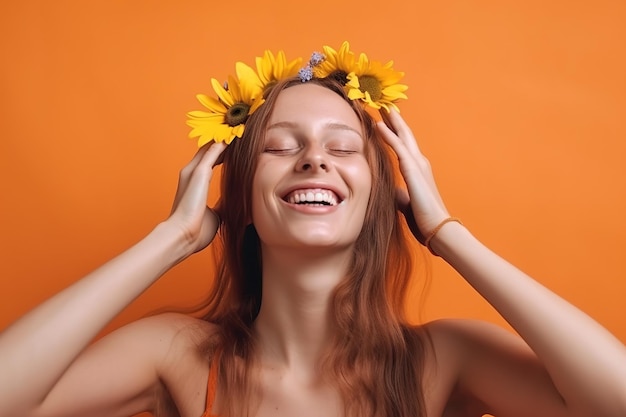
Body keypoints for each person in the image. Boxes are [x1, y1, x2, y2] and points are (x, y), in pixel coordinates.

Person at [0, 43, 625, 417]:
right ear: (240, 193)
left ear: (381, 194)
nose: (314, 160)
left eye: (343, 148)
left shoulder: (441, 360)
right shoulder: (180, 357)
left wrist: (443, 230)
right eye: (281, 145)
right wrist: (172, 237)